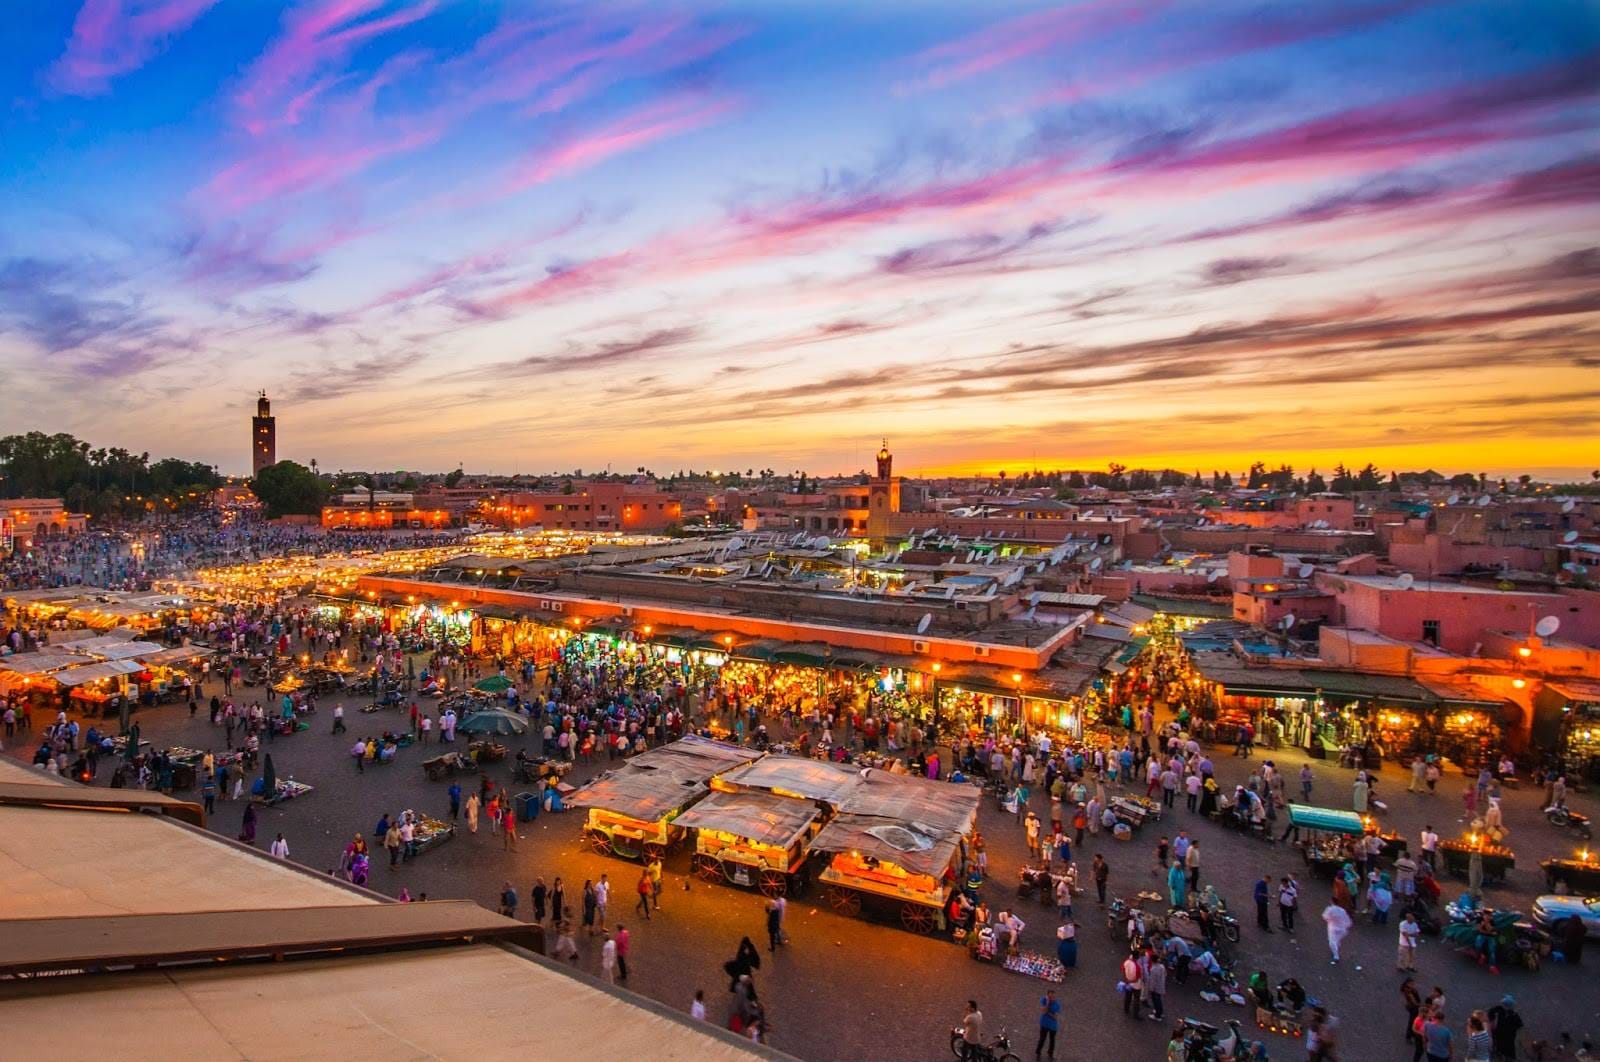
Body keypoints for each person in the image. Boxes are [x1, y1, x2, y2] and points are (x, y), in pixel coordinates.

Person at [1487, 995, 1522, 1062]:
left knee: (1502, 1045)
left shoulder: (1500, 1010)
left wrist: (1492, 1021)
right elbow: (1519, 1025)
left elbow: (1490, 1012)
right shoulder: (1513, 1014)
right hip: (1507, 1034)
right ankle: (1504, 1056)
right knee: (1507, 1047)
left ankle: (1501, 1055)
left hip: (1502, 1033)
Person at [1323, 900, 1352, 964]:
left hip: (1333, 928)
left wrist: (1330, 919)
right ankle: (1336, 947)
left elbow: (1325, 917)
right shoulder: (1342, 910)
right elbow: (1347, 919)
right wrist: (1347, 925)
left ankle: (1336, 956)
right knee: (1336, 940)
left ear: (1332, 902)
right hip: (1341, 928)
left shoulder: (1329, 909)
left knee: (1332, 942)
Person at [1036, 990, 1060, 1060]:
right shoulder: (1044, 1000)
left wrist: (1047, 1011)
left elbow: (1055, 1017)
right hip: (1044, 1024)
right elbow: (1043, 1011)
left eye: (1053, 997)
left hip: (1052, 1026)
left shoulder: (1057, 1004)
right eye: (1050, 997)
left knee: (1052, 1040)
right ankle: (1038, 1052)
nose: (1052, 998)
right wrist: (1047, 1004)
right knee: (1042, 1039)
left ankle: (1050, 1053)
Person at [1121, 953, 1144, 1017]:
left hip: (1128, 983)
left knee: (1127, 997)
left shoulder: (1126, 962)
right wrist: (1130, 981)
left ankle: (1126, 1009)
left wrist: (1126, 980)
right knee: (1136, 999)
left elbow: (1123, 970)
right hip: (1136, 985)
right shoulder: (1137, 967)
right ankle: (1135, 1014)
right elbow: (1137, 979)